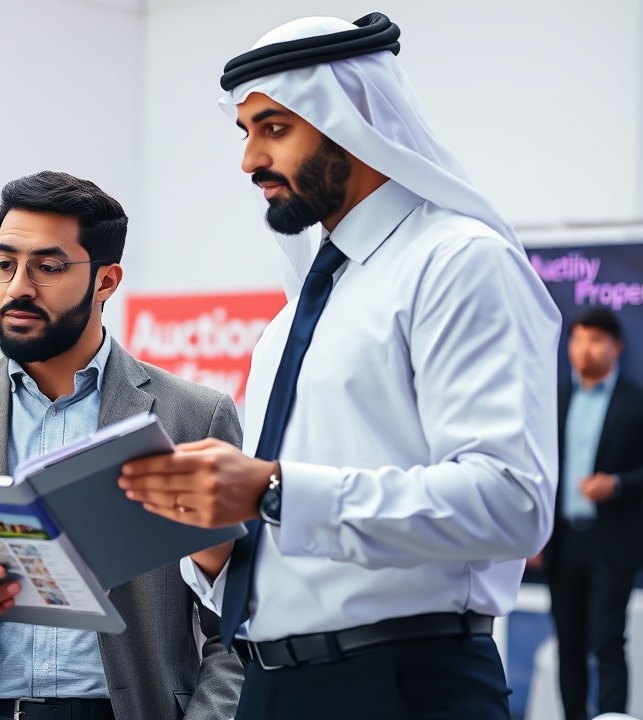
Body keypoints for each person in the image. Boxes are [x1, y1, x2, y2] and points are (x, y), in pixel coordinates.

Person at [117, 13, 561, 719]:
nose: (249, 161)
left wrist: (271, 490)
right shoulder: (295, 315)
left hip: (401, 686)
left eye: (274, 128)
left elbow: (512, 503)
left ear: (350, 119)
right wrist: (210, 545)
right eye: (246, 132)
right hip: (266, 684)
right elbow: (286, 533)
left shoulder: (457, 264)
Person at [0, 171, 244, 720]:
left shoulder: (192, 417)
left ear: (106, 281)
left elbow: (236, 622)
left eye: (48, 267)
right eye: (4, 264)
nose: (18, 286)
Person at [542, 308, 643, 720]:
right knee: (569, 645)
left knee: (606, 642)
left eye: (596, 340)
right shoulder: (553, 400)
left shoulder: (635, 402)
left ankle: (613, 716)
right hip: (563, 541)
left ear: (616, 347)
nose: (585, 350)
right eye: (578, 339)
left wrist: (616, 485)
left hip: (611, 542)